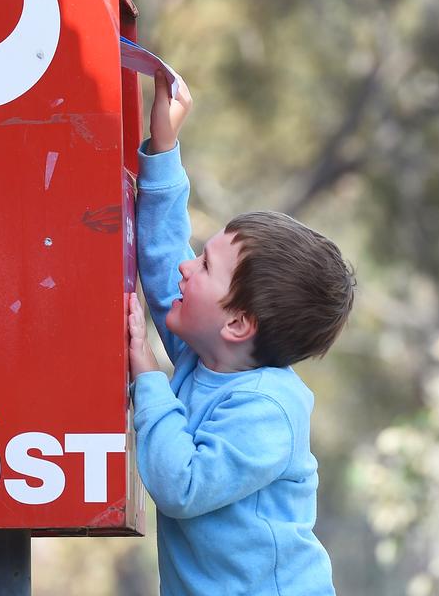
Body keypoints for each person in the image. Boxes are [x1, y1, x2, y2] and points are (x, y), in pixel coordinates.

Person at [127, 69, 355, 596]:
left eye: (205, 267)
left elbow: (180, 485)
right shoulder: (203, 354)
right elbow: (163, 263)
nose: (188, 270)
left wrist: (147, 375)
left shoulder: (268, 410)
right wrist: (163, 149)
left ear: (237, 323)